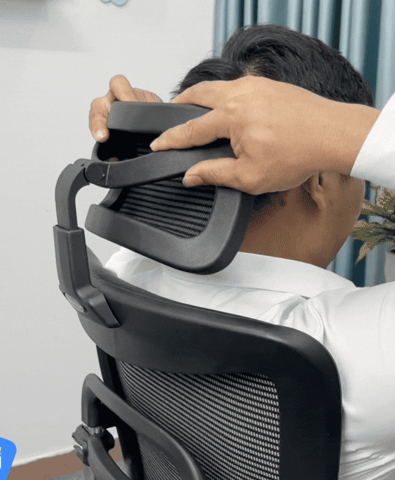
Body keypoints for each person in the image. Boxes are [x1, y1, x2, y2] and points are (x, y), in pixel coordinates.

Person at [91, 25, 395, 480]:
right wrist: (346, 133)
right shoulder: (357, 348)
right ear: (320, 179)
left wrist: (150, 146)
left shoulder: (127, 270)